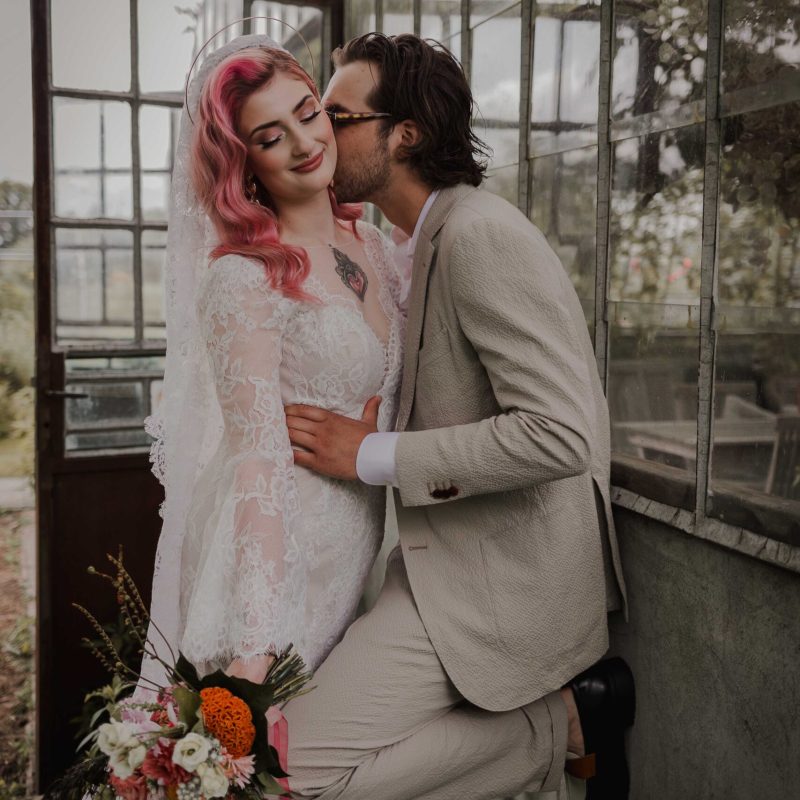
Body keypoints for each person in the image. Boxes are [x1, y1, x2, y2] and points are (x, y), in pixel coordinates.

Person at [281, 33, 634, 800]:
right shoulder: (408, 244)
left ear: (404, 134)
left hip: (498, 583)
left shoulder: (478, 234)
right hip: (431, 562)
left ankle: (567, 720)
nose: (318, 135)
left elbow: (561, 434)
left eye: (336, 117)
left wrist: (371, 454)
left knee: (290, 775)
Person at [138, 34, 406, 692]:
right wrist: (257, 643)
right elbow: (256, 459)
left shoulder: (373, 244)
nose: (304, 143)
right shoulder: (243, 277)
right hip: (283, 567)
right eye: (270, 136)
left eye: (308, 114)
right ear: (245, 164)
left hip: (361, 547)